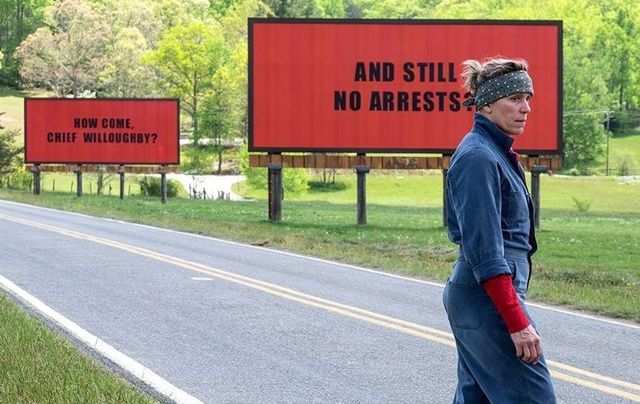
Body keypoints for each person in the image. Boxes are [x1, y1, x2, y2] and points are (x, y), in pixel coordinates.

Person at [442, 57, 557, 403]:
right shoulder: (478, 157)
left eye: (528, 99)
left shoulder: (493, 152)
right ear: (487, 104)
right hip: (486, 299)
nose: (526, 108)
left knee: (476, 398)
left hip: (482, 298)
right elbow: (486, 251)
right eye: (515, 98)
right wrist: (517, 321)